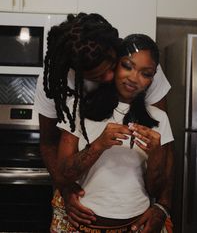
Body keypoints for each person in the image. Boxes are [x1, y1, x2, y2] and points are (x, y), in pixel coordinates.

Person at [34, 13, 171, 228]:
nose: (109, 77)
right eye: (97, 76)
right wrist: (66, 187)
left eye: (112, 66)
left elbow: (162, 138)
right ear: (76, 71)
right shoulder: (56, 82)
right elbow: (49, 143)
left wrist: (163, 205)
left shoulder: (139, 60)